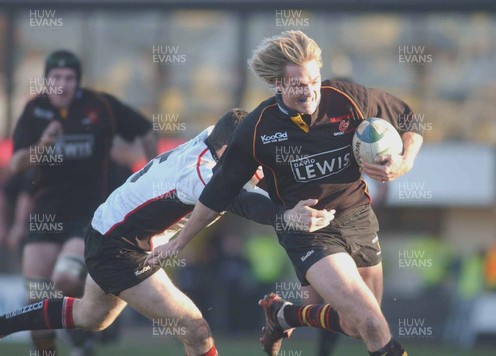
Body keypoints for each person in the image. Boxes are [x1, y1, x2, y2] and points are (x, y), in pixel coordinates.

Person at [145, 30, 424, 356]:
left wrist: (404, 163)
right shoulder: (258, 127)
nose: (310, 92)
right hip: (309, 232)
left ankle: (284, 314)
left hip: (358, 216)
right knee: (374, 325)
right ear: (278, 83)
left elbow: (409, 119)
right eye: (298, 85)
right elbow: (217, 192)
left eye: (315, 81)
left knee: (354, 325)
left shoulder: (346, 98)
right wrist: (180, 241)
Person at [0, 108, 335, 356]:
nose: (256, 162)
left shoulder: (214, 138)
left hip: (107, 229)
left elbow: (237, 127)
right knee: (196, 330)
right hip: (118, 248)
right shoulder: (200, 174)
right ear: (232, 150)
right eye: (251, 155)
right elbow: (245, 204)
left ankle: (6, 323)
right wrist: (287, 216)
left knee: (91, 317)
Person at [9, 49, 157, 355]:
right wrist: (43, 146)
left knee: (65, 276)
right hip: (46, 214)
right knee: (35, 299)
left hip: (89, 213)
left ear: (78, 81)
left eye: (69, 78)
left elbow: (143, 127)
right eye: (56, 78)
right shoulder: (34, 110)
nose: (62, 84)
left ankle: (93, 318)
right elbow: (16, 165)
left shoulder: (99, 105)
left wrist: (155, 173)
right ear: (47, 80)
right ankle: (65, 343)